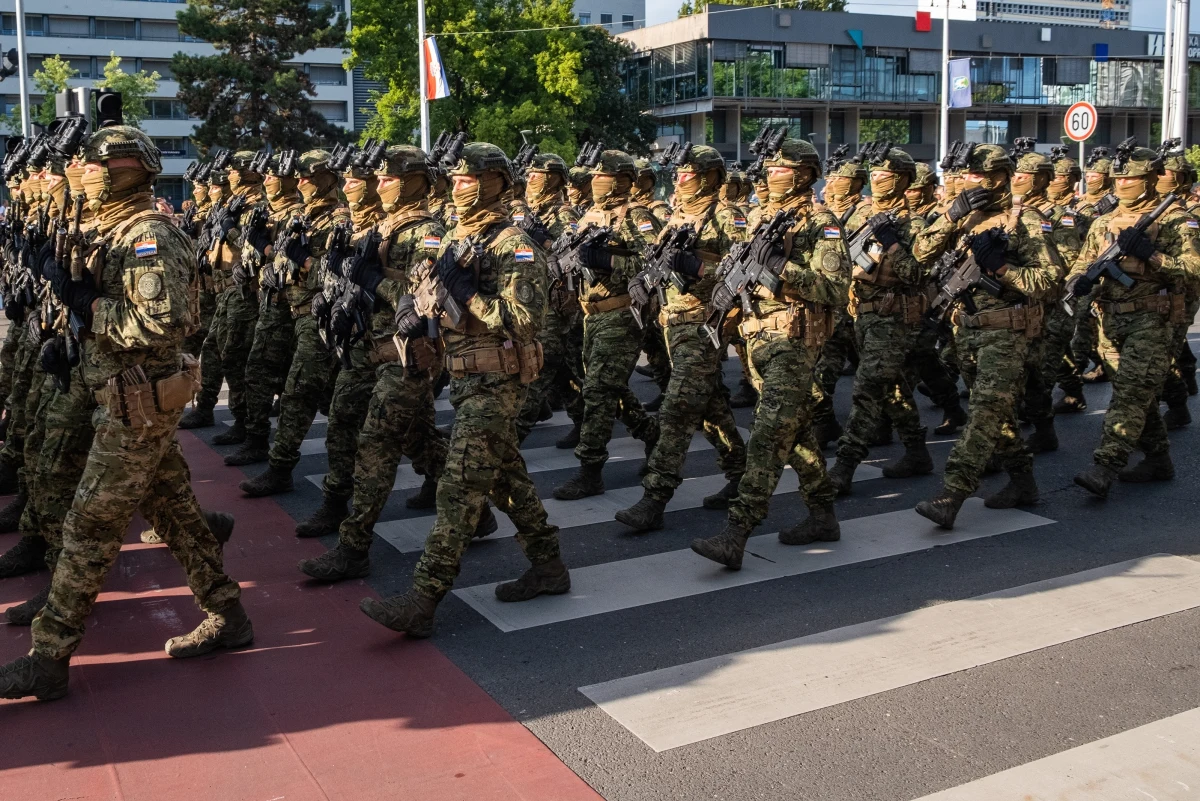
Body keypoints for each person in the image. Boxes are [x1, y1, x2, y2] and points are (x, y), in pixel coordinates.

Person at [0, 126, 250, 701]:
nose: (84, 171)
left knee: (88, 525)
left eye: (96, 163)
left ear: (129, 169)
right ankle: (229, 614)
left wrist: (90, 306)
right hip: (115, 395)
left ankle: (49, 657)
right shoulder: (107, 228)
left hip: (138, 405)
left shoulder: (148, 236)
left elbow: (163, 324)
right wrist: (71, 331)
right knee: (176, 514)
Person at [360, 142, 568, 638]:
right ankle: (549, 566)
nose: (458, 186)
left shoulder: (514, 243)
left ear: (496, 182)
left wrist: (469, 293)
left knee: (457, 489)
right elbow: (430, 297)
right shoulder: (455, 236)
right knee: (506, 480)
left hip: (497, 382)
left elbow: (524, 321)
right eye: (454, 179)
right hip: (464, 378)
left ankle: (423, 599)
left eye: (469, 178)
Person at [690, 137, 849, 569]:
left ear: (804, 175)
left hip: (795, 342)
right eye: (771, 168)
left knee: (767, 435)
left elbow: (836, 288)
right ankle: (823, 515)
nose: (771, 175)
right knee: (795, 435)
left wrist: (782, 267)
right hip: (757, 337)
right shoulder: (760, 217)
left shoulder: (822, 222)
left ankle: (737, 532)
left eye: (781, 169)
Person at [298, 144, 449, 579]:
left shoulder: (428, 233)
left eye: (388, 179)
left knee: (376, 445)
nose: (377, 186)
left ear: (413, 182)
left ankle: (354, 547)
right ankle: (335, 502)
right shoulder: (379, 226)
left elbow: (426, 301)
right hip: (367, 348)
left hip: (406, 356)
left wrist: (375, 280)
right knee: (352, 421)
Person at [911, 143, 1061, 529]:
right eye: (967, 175)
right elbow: (920, 255)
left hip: (1007, 333)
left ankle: (952, 495)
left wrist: (1003, 270)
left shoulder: (1025, 220)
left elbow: (1049, 282)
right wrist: (950, 216)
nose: (968, 181)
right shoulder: (962, 217)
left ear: (999, 178)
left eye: (977, 175)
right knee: (1000, 417)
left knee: (983, 413)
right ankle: (1023, 483)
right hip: (966, 331)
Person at [614, 144, 748, 532]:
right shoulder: (678, 216)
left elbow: (743, 273)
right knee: (711, 406)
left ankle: (655, 496)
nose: (680, 179)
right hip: (673, 324)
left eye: (688, 173)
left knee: (676, 410)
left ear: (709, 177)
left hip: (705, 325)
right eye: (679, 173)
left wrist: (699, 269)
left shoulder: (727, 216)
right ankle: (741, 471)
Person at [1070, 142, 1200, 497]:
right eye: (1119, 179)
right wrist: (1079, 280)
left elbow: (1193, 269)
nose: (1123, 184)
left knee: (1129, 395)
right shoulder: (1103, 222)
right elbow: (1084, 261)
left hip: (1152, 320)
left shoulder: (1176, 220)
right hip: (1109, 322)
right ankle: (1158, 459)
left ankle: (1105, 465)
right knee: (1138, 395)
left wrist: (1153, 256)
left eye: (1132, 179)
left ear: (1151, 179)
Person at [550, 149, 661, 501]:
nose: (596, 182)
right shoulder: (591, 214)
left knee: (598, 391)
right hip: (591, 315)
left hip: (622, 314)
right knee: (610, 388)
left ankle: (590, 470)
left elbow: (656, 266)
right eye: (595, 177)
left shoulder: (637, 216)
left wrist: (609, 261)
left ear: (623, 180)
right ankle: (652, 435)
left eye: (604, 177)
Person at [826, 145, 934, 495]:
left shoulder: (914, 224)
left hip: (894, 318)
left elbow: (916, 275)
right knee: (893, 388)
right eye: (874, 174)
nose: (877, 179)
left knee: (868, 388)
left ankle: (845, 466)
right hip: (860, 314)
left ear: (903, 179)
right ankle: (917, 451)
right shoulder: (858, 215)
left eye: (885, 174)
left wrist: (892, 243)